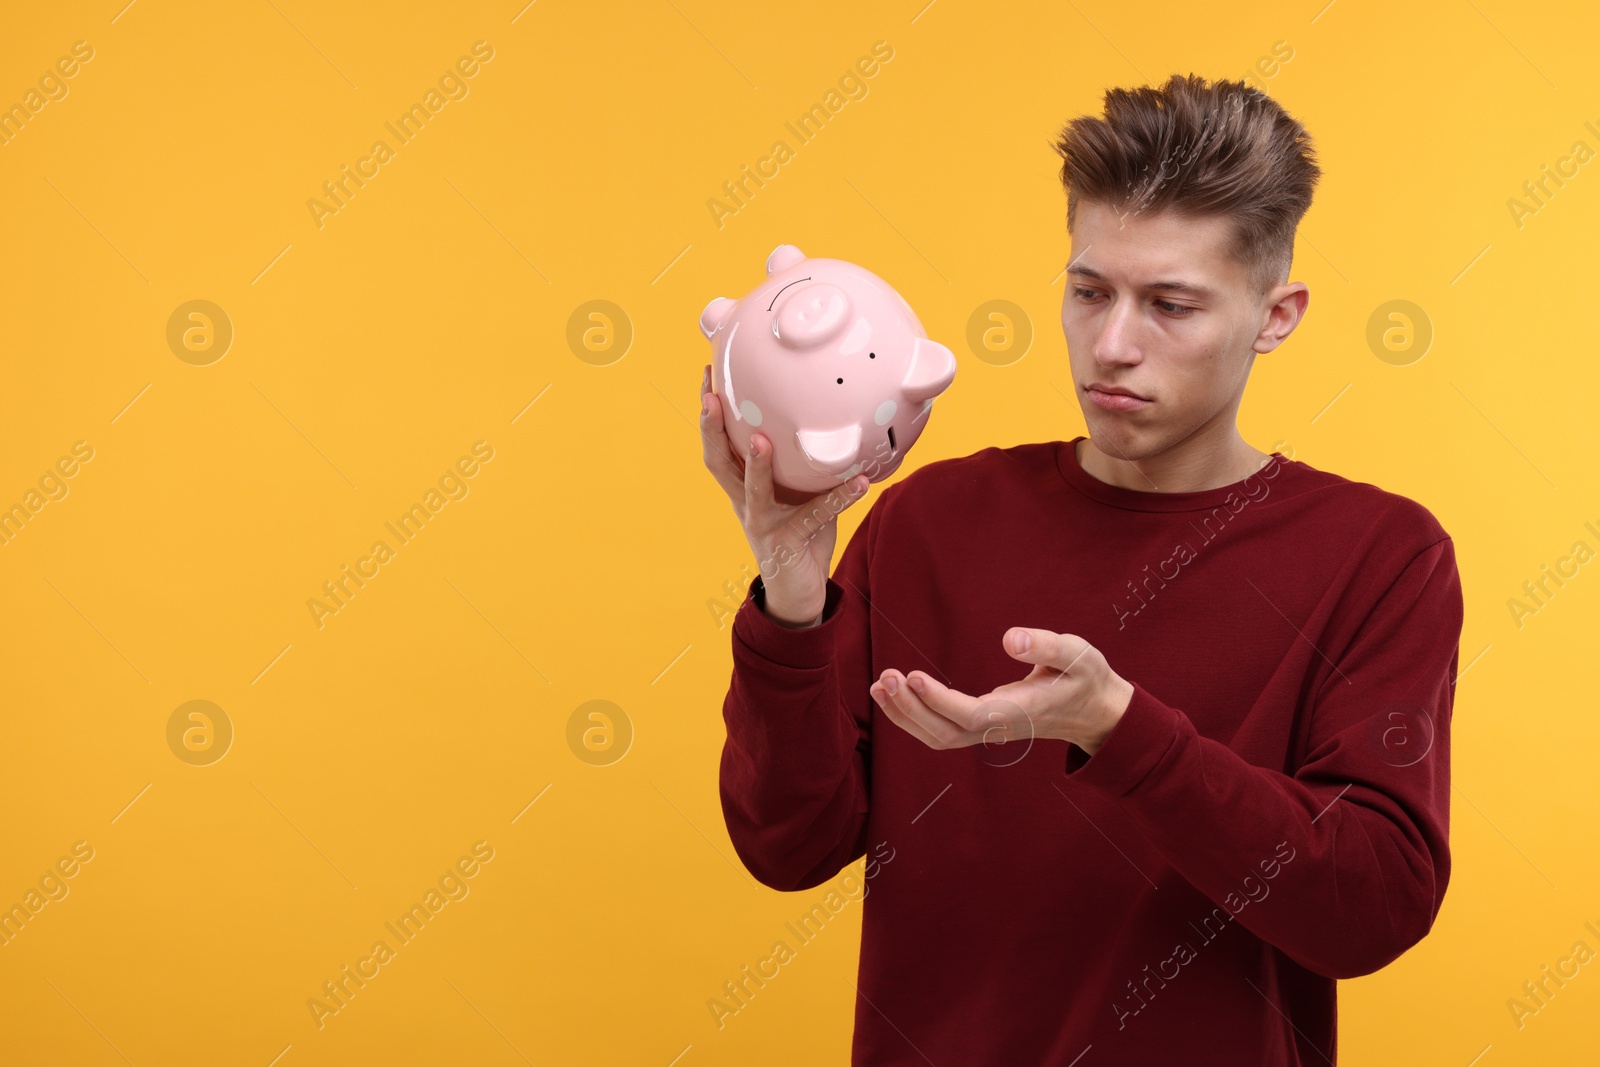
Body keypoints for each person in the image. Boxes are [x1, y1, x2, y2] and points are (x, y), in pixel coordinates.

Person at [698, 72, 1463, 1065]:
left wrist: (1120, 729)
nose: (1111, 346)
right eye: (1088, 291)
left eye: (1170, 305)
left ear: (1276, 316)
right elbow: (787, 847)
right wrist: (793, 595)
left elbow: (1371, 907)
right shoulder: (930, 519)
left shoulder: (1379, 555)